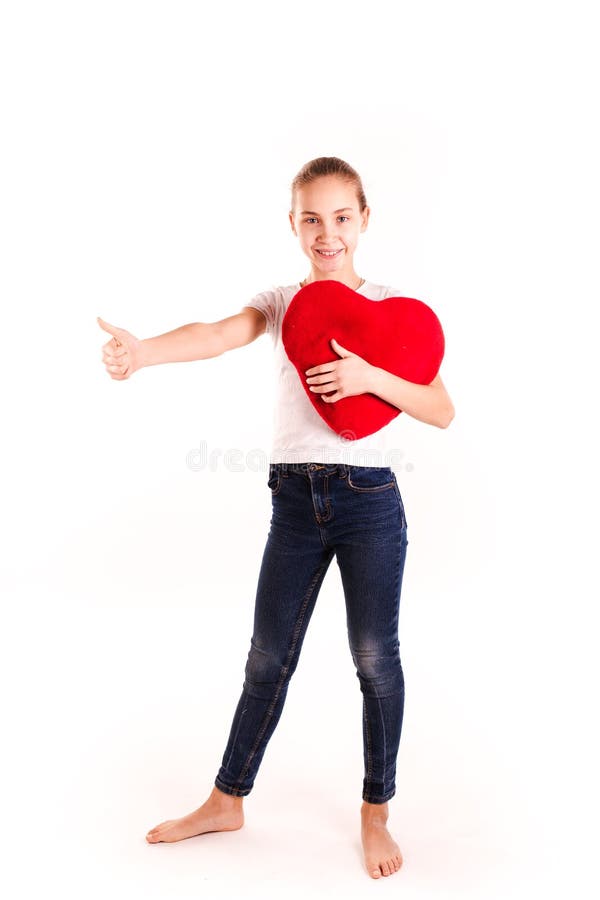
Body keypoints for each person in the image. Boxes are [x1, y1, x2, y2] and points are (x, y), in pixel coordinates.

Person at [98, 156, 455, 879]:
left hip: (371, 502)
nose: (328, 233)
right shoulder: (283, 300)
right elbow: (218, 333)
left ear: (365, 218)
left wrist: (369, 377)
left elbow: (441, 408)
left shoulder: (395, 310)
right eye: (312, 219)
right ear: (293, 224)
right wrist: (143, 352)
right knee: (267, 657)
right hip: (294, 501)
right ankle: (227, 798)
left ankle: (375, 810)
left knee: (374, 658)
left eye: (342, 217)